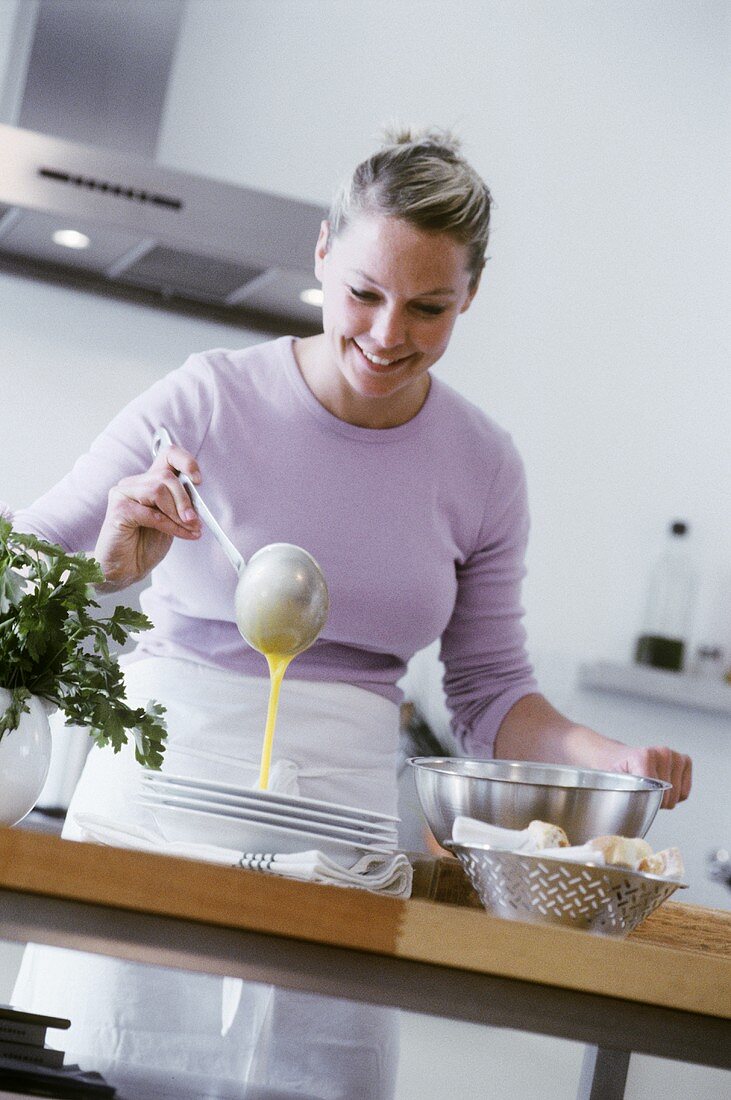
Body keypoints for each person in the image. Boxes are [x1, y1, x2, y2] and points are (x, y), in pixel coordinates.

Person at [8, 127, 691, 1098]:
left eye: (427, 307)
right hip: (152, 828)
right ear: (322, 253)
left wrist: (603, 759)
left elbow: (491, 691)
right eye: (363, 293)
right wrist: (114, 562)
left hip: (345, 849)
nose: (384, 334)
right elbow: (20, 558)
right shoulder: (203, 401)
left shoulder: (481, 464)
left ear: (470, 296)